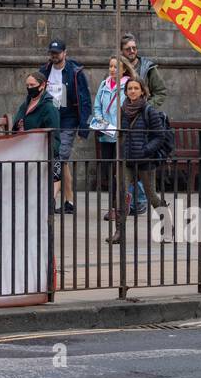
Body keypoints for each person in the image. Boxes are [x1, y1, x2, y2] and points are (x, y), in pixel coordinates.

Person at [106, 77, 174, 244]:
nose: (133, 91)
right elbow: (121, 134)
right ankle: (119, 232)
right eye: (130, 88)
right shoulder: (123, 109)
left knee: (152, 196)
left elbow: (159, 136)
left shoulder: (149, 110)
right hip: (127, 160)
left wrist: (146, 150)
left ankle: (167, 225)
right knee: (122, 193)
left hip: (145, 160)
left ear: (143, 91)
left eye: (136, 88)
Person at [39, 40, 91, 215]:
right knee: (63, 161)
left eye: (58, 52)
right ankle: (69, 201)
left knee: (59, 157)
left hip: (68, 119)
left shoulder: (75, 72)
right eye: (52, 52)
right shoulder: (44, 71)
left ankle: (51, 199)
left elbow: (84, 99)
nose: (54, 55)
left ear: (65, 53)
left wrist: (83, 125)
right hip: (49, 119)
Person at [91, 55, 146, 221]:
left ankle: (121, 206)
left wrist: (120, 125)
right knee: (110, 172)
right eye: (110, 66)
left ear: (124, 69)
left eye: (116, 67)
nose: (112, 70)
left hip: (121, 135)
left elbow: (130, 107)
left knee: (120, 173)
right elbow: (97, 106)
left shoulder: (129, 85)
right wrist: (101, 121)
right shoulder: (104, 84)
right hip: (106, 135)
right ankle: (114, 206)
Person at [12, 72, 60, 205]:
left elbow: (54, 131)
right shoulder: (26, 103)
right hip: (24, 148)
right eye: (27, 85)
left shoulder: (49, 106)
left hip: (40, 151)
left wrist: (52, 152)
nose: (29, 88)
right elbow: (18, 120)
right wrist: (18, 124)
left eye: (32, 85)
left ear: (42, 85)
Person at [119, 34, 167, 110]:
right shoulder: (116, 68)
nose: (132, 51)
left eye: (134, 48)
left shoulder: (148, 67)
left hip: (143, 115)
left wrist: (147, 106)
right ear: (121, 51)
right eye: (128, 49)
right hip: (121, 114)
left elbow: (160, 92)